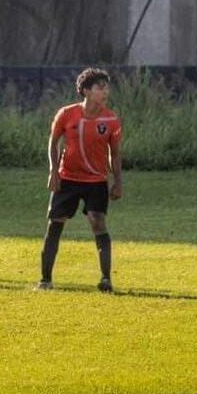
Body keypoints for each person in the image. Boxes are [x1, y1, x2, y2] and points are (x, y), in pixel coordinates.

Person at [37, 68, 123, 292]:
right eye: (100, 87)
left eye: (106, 87)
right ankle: (45, 280)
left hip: (96, 181)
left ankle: (106, 279)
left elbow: (115, 153)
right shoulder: (66, 114)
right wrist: (53, 171)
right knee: (55, 223)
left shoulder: (111, 119)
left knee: (98, 222)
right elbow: (53, 142)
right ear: (86, 91)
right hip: (67, 178)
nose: (105, 92)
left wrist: (118, 181)